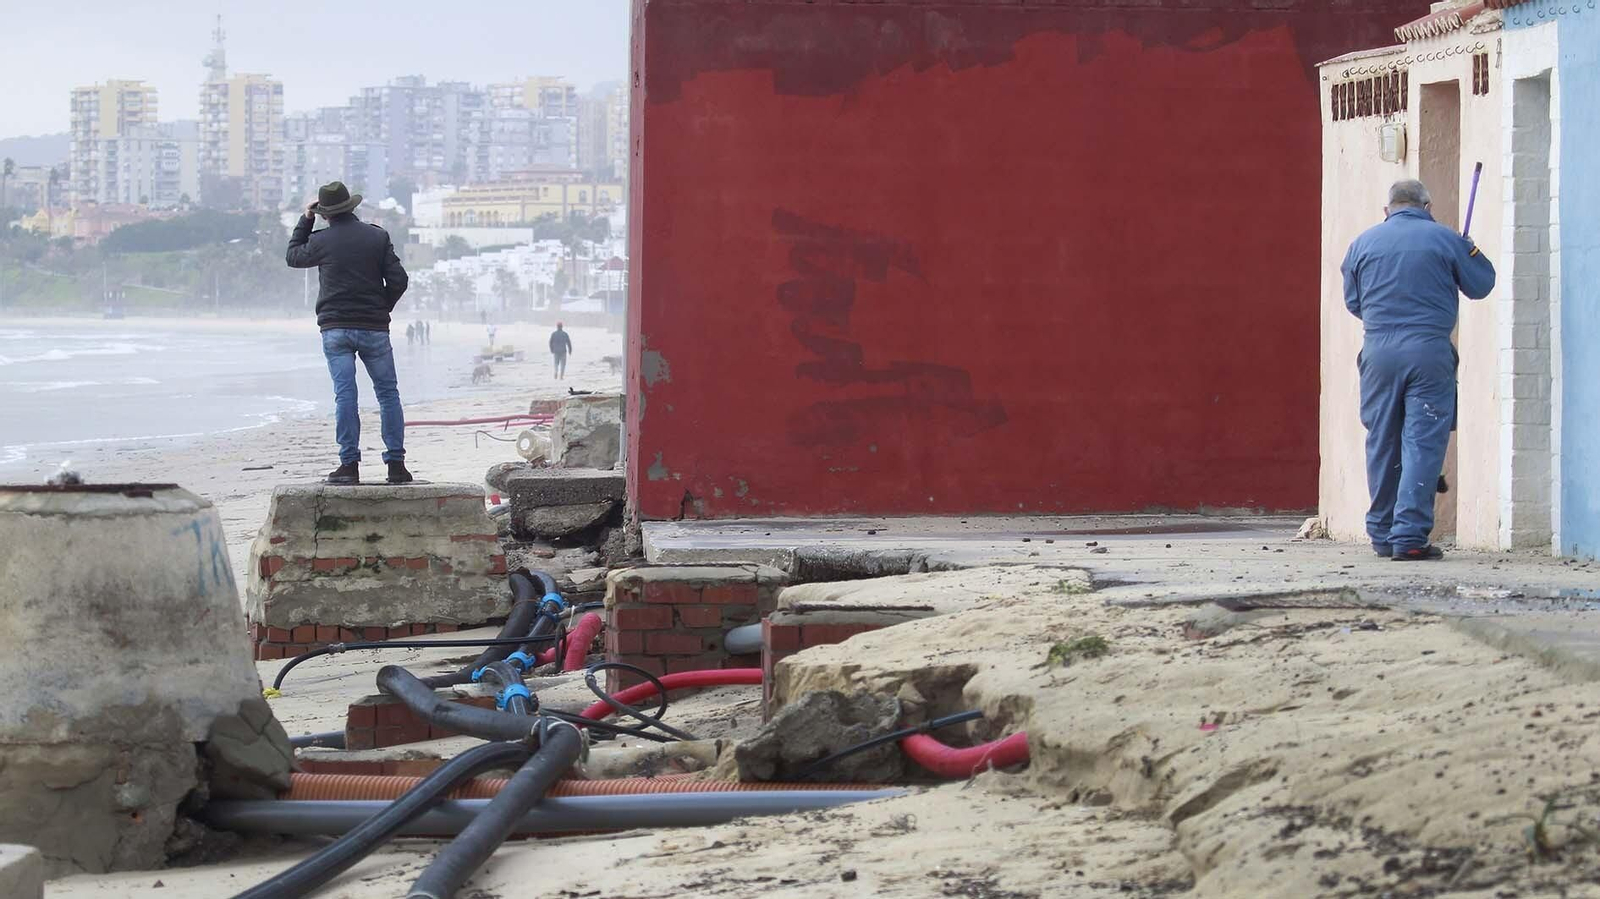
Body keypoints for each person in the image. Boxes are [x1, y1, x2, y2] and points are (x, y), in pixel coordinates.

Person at [1341, 179, 1495, 561]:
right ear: (1427, 208)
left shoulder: (1362, 244)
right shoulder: (1445, 239)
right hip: (1428, 351)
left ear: (1387, 209)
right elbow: (1482, 285)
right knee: (1422, 442)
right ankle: (1409, 536)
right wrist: (1469, 249)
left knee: (1382, 440)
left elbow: (1354, 302)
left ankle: (1381, 533)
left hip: (1378, 352)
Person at [286, 181, 413, 485]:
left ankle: (349, 465)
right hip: (374, 328)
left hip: (336, 328)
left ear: (325, 213)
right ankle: (396, 465)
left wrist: (306, 219)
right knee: (388, 394)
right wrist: (383, 307)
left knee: (346, 396)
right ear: (351, 206)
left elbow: (293, 257)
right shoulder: (377, 237)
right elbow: (399, 279)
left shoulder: (321, 241)